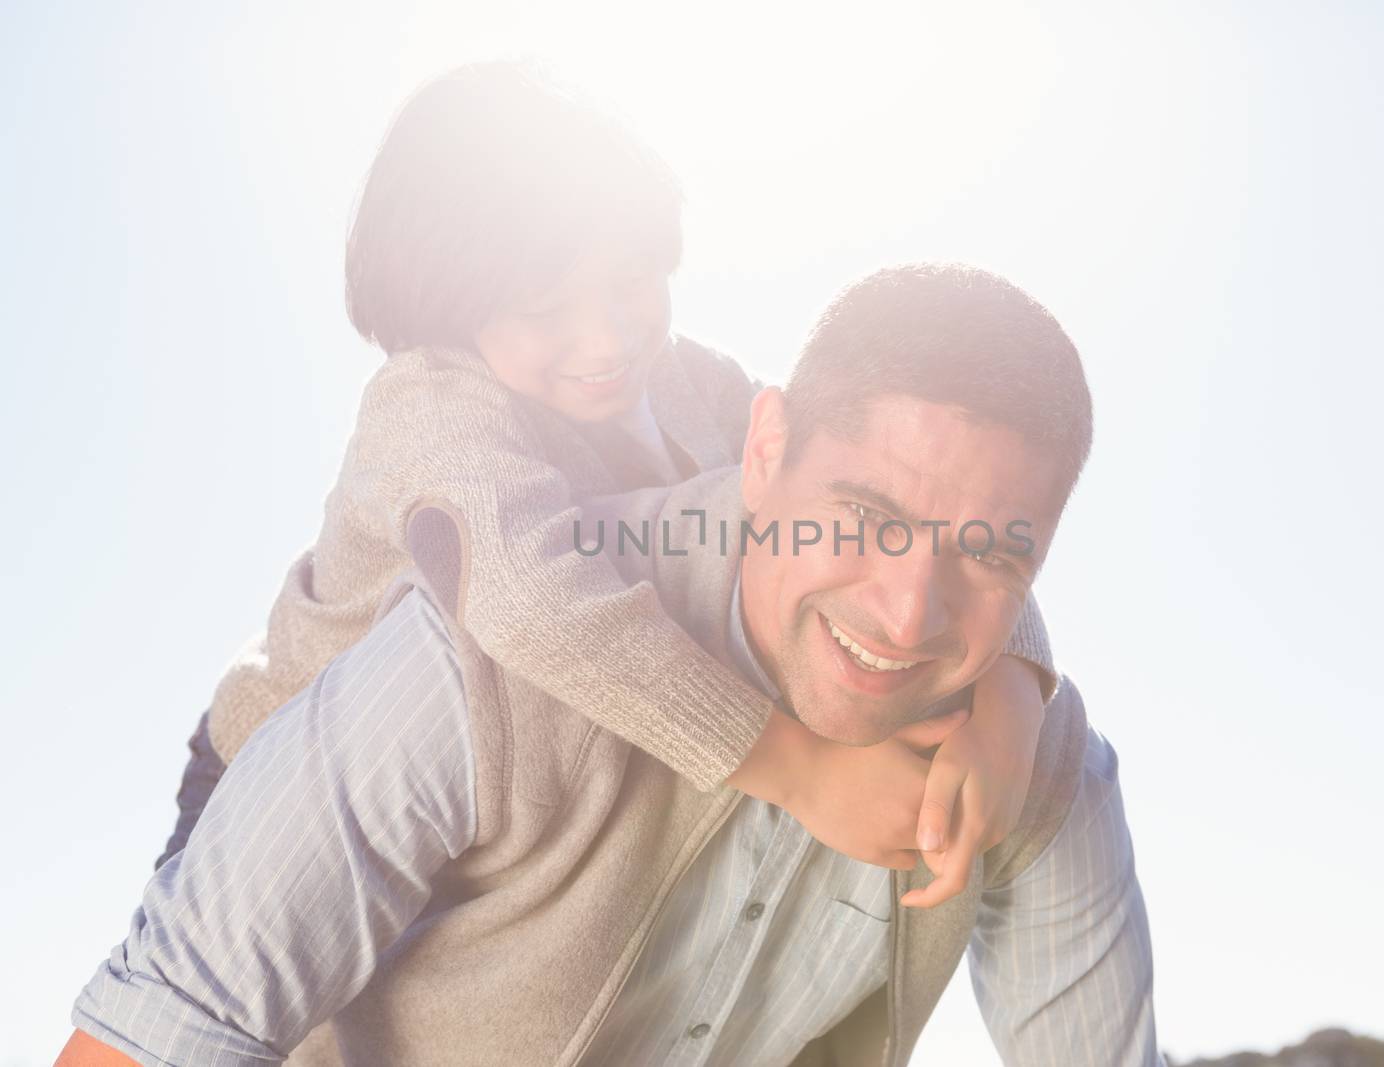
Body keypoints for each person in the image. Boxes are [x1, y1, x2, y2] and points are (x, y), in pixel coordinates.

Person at [59, 264, 1161, 1067]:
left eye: (989, 553)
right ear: (766, 452)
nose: (909, 611)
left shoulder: (1031, 764)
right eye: (864, 517)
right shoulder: (485, 652)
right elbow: (154, 1037)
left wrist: (1017, 678)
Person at [153, 60, 1061, 899]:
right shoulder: (430, 407)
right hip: (275, 770)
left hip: (499, 805)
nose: (609, 340)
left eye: (631, 282)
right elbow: (528, 599)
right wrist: (803, 772)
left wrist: (1013, 694)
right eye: (546, 311)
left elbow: (901, 502)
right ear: (447, 308)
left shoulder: (697, 386)